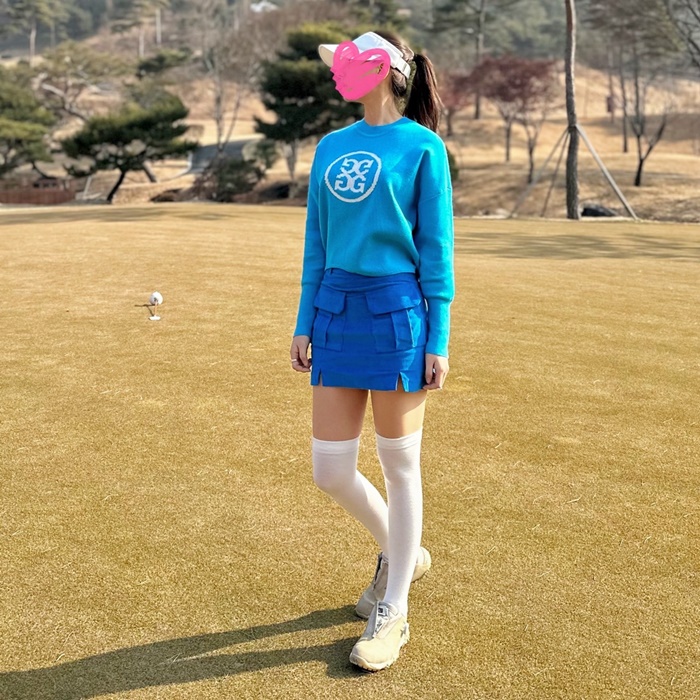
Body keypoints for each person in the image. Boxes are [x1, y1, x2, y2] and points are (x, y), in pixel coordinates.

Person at [290, 30, 454, 672]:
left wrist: (438, 337)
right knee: (329, 470)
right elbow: (316, 241)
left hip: (396, 315)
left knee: (399, 466)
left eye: (346, 65)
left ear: (382, 69)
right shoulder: (331, 146)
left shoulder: (423, 147)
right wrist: (304, 320)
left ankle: (395, 609)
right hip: (335, 309)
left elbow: (436, 249)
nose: (337, 75)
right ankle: (404, 553)